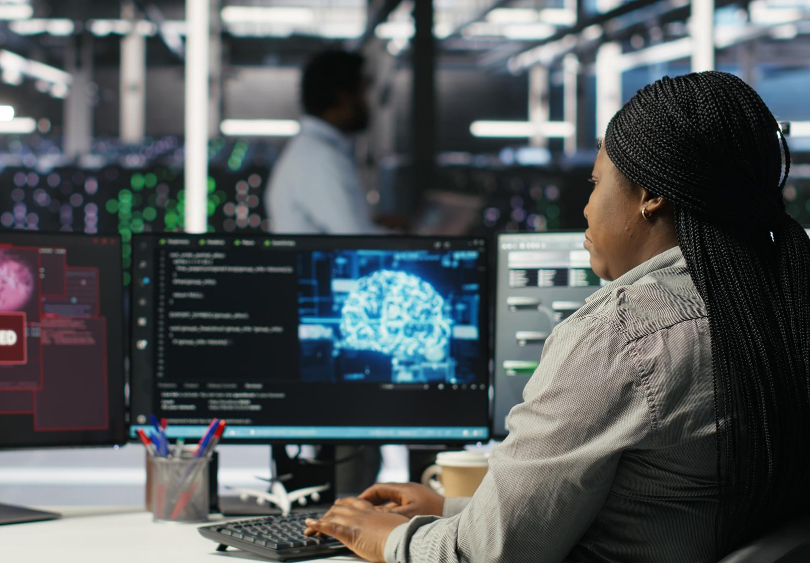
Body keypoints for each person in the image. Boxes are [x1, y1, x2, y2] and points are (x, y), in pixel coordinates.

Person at [303, 71, 810, 562]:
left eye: (596, 184)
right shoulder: (779, 309)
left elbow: (485, 557)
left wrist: (389, 539)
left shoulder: (622, 339)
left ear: (651, 196)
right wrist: (454, 509)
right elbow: (658, 510)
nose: (586, 209)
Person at [265, 49, 384, 235]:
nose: (368, 103)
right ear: (343, 97)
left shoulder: (312, 151)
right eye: (362, 92)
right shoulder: (321, 158)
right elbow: (355, 241)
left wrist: (375, 223)